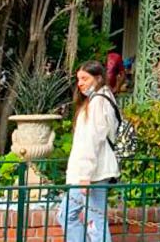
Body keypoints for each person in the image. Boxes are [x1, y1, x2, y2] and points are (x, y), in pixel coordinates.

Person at [58, 61, 119, 242]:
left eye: (85, 78)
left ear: (98, 78)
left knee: (91, 221)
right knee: (72, 216)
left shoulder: (99, 101)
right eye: (79, 79)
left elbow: (91, 140)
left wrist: (85, 175)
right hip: (92, 172)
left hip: (92, 174)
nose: (80, 83)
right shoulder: (100, 99)